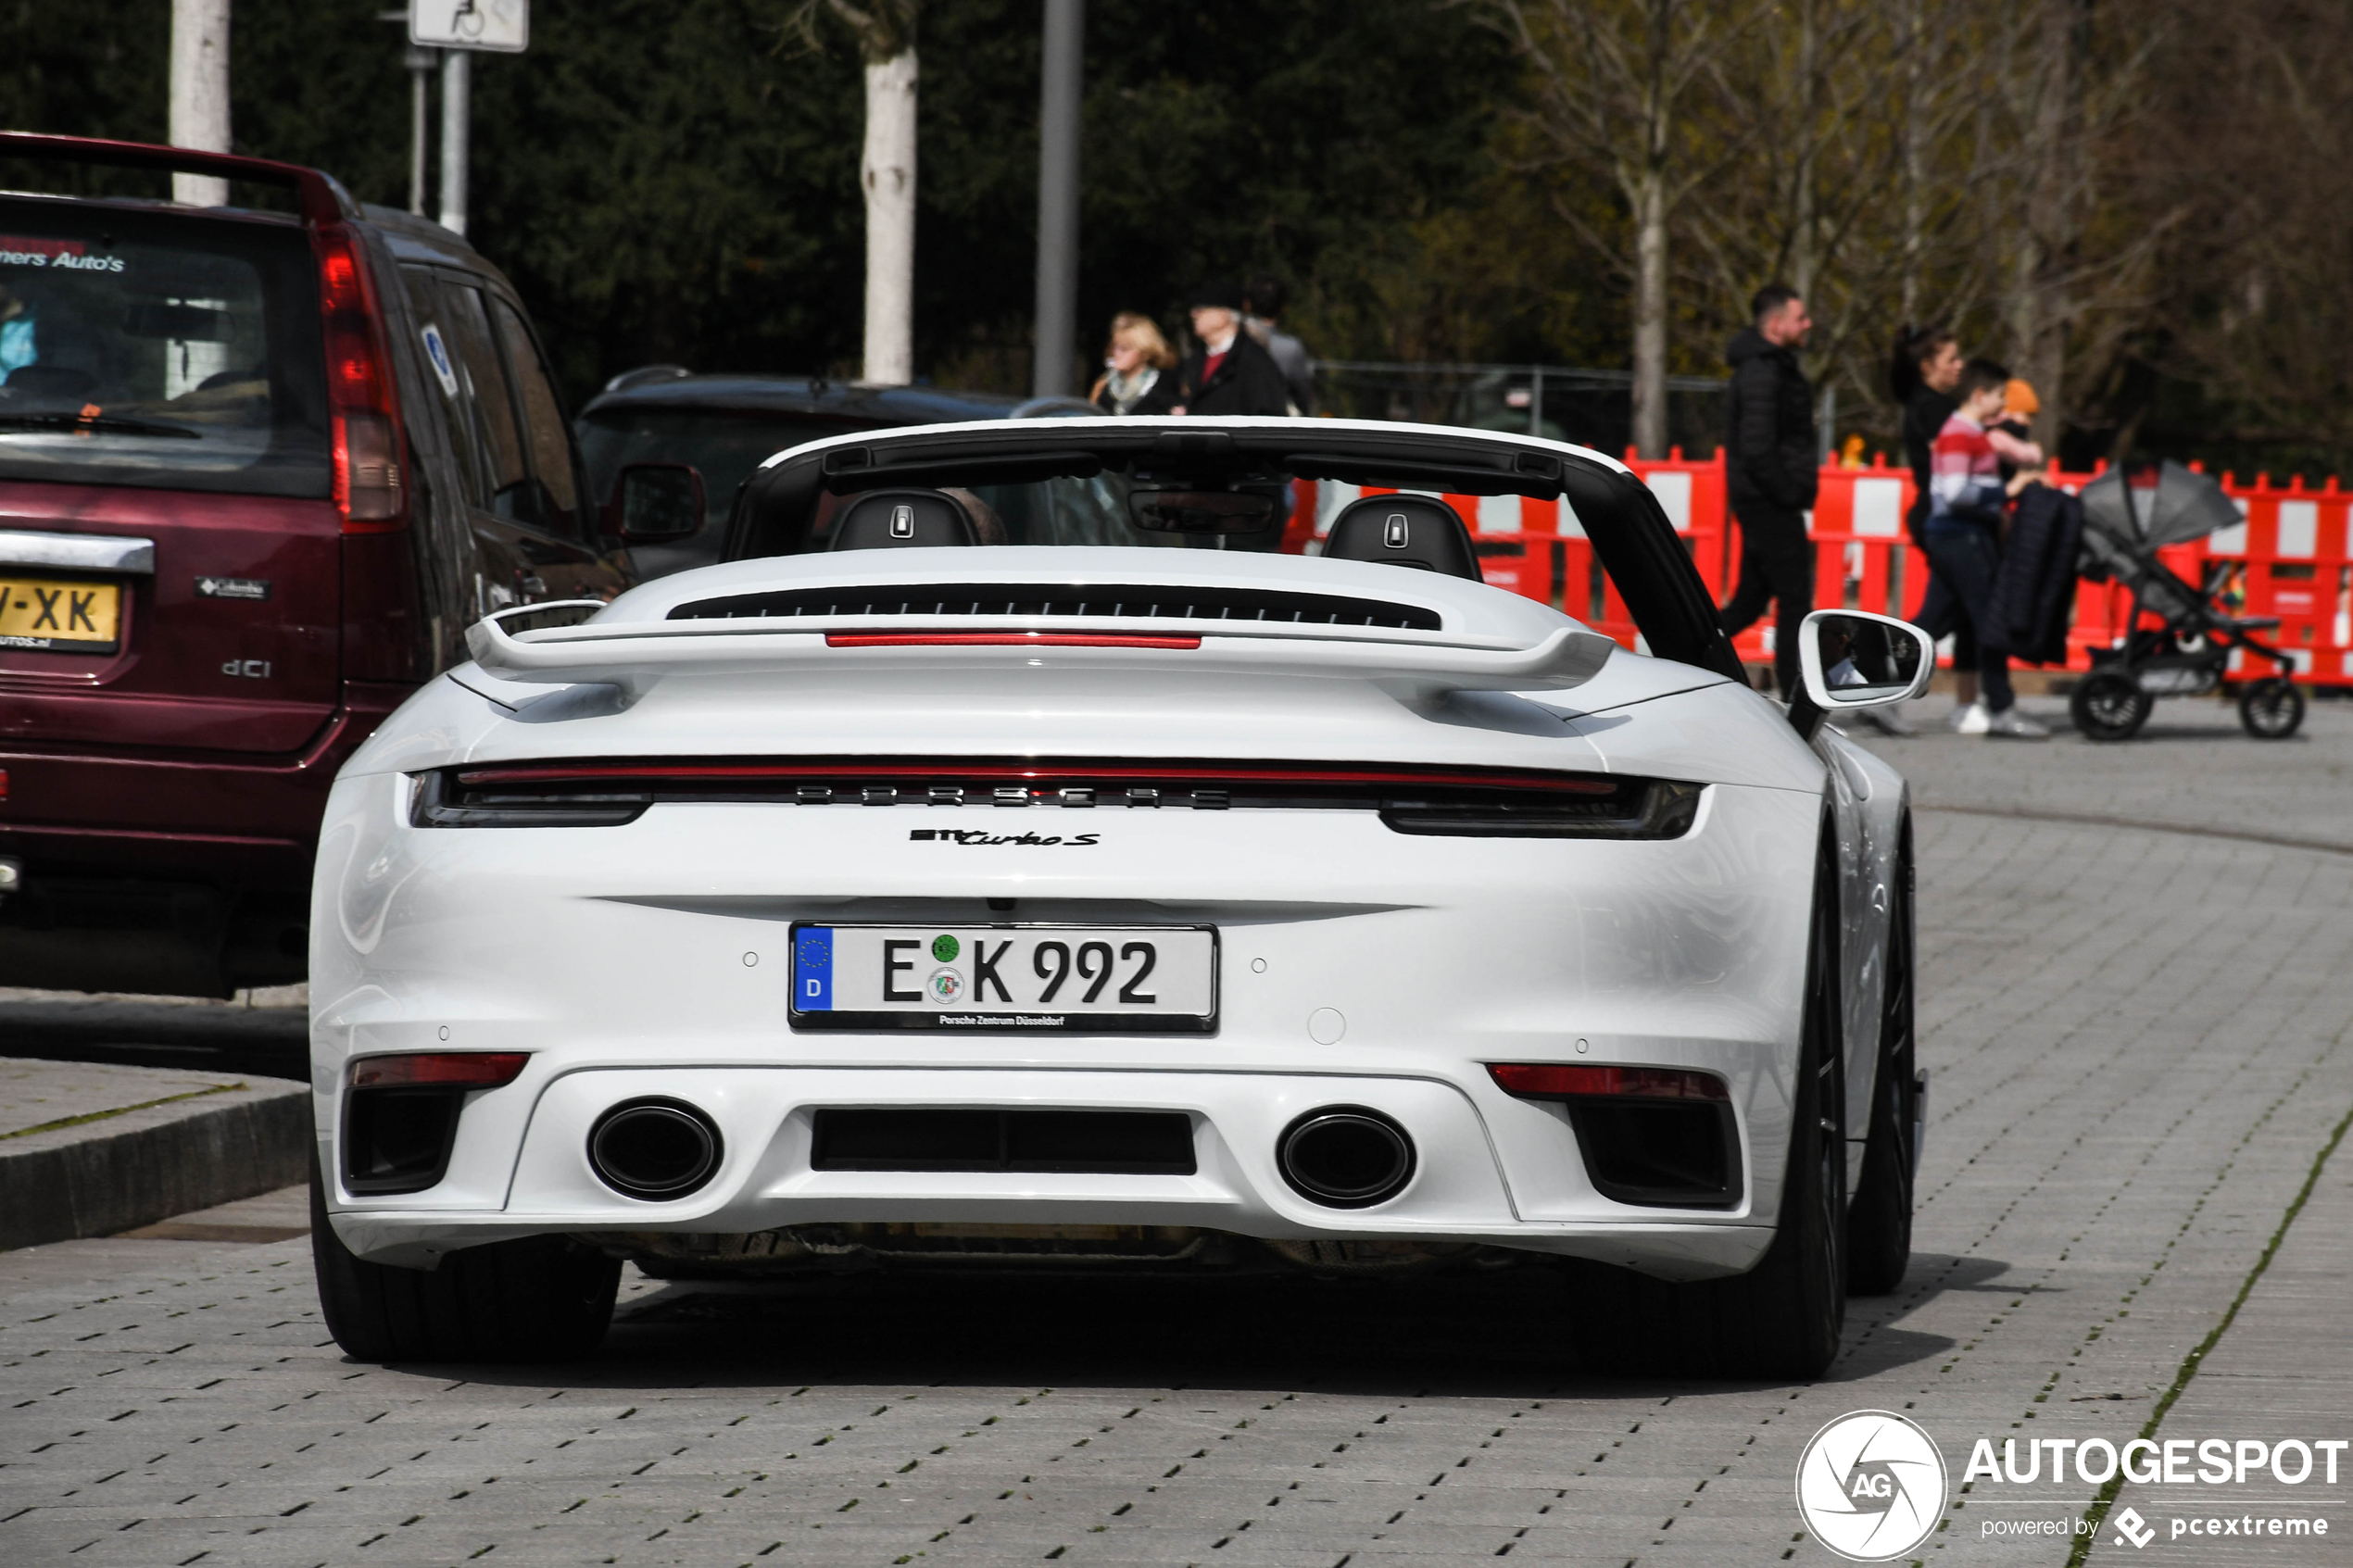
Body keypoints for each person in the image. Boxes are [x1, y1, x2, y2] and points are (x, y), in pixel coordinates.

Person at [1925, 358, 2049, 738]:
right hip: (1961, 535)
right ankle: (2001, 707)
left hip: (1956, 535)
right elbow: (1955, 491)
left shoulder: (1970, 431)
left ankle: (1865, 685)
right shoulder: (1961, 433)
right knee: (1989, 622)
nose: (2003, 406)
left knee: (1931, 624)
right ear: (1980, 395)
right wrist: (2006, 491)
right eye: (1999, 397)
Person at [1718, 282, 1820, 700]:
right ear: (1776, 324)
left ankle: (1678, 655)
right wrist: (1789, 492)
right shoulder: (1762, 372)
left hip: (1765, 499)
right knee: (1795, 598)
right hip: (1768, 501)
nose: (1808, 324)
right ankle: (1796, 693)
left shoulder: (1772, 367)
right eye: (1800, 318)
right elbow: (1758, 447)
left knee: (1749, 600)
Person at [1890, 322, 1978, 729]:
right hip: (1943, 521)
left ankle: (1967, 703)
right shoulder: (1932, 408)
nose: (1960, 366)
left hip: (1942, 519)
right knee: (1942, 614)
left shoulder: (1929, 404)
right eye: (1951, 359)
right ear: (1927, 366)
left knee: (1961, 609)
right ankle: (1878, 685)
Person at [1167, 281, 1290, 418]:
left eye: (1201, 309)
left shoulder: (1256, 363)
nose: (1193, 314)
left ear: (1224, 314)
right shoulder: (1193, 361)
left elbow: (1270, 416)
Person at [1243, 274, 1315, 416]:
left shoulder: (1230, 340)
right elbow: (1303, 394)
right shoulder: (1290, 348)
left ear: (1247, 304)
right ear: (1283, 307)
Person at [1088, 313, 1177, 416]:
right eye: (1115, 347)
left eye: (1124, 349)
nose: (1116, 353)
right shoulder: (1105, 384)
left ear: (1145, 353)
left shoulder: (1163, 386)